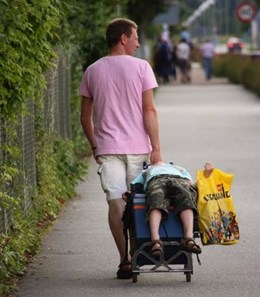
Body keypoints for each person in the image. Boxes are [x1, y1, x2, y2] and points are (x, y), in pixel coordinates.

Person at [79, 18, 163, 279]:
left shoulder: (92, 70)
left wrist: (95, 145)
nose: (138, 43)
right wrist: (156, 148)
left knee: (115, 201)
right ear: (123, 38)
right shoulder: (142, 68)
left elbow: (85, 117)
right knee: (139, 201)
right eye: (135, 37)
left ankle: (124, 259)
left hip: (108, 148)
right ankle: (140, 250)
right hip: (138, 148)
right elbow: (149, 109)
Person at [130, 162, 214, 257]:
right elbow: (135, 187)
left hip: (179, 180)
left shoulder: (179, 168)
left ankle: (188, 239)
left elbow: (192, 186)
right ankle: (155, 241)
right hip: (156, 180)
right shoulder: (146, 171)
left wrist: (205, 176)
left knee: (186, 198)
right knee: (156, 200)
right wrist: (129, 194)